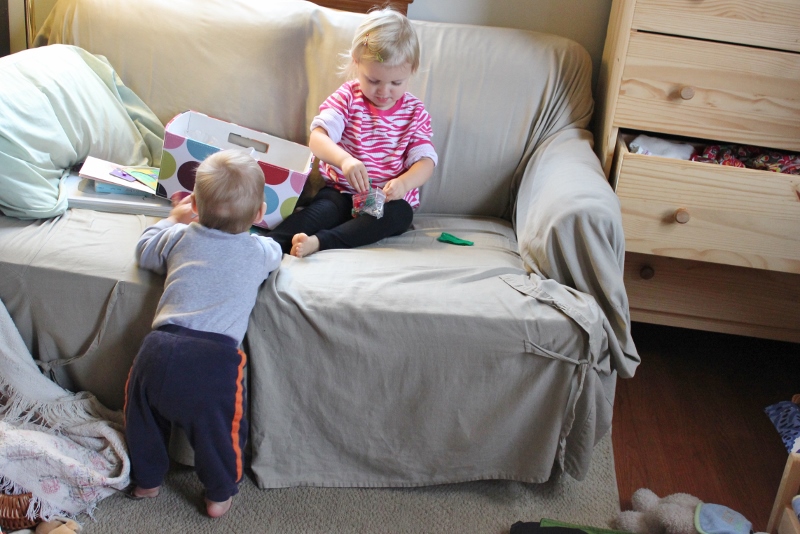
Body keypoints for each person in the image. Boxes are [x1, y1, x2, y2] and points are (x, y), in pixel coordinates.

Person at [124, 149, 282, 518]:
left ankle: (146, 481)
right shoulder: (259, 250)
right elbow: (276, 254)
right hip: (214, 359)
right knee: (220, 434)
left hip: (158, 348)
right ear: (259, 213)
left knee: (141, 419)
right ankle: (218, 495)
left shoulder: (179, 236)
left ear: (194, 205)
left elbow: (143, 250)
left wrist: (171, 219)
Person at [265, 6, 437, 257]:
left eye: (396, 83)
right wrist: (344, 160)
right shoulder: (347, 98)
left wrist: (404, 183)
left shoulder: (415, 112)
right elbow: (318, 138)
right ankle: (265, 245)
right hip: (341, 194)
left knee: (400, 215)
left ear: (412, 70)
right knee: (318, 212)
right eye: (373, 80)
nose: (383, 91)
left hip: (386, 202)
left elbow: (426, 162)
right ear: (357, 64)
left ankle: (320, 242)